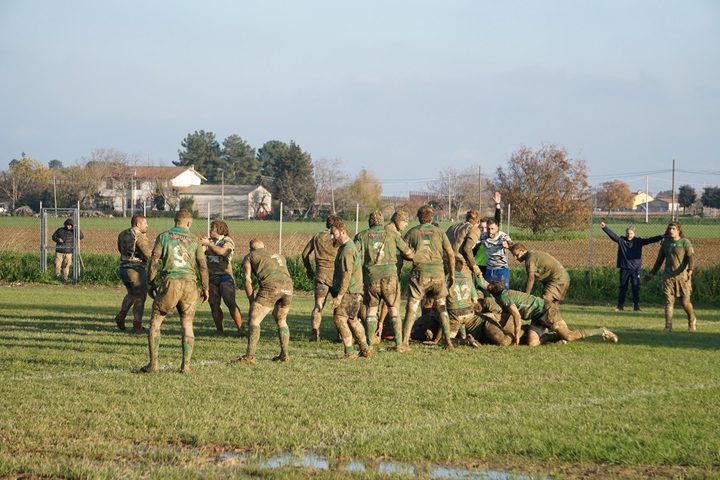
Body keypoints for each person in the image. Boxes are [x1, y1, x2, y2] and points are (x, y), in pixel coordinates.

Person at [140, 209, 209, 374]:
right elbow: (203, 266)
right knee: (187, 324)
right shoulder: (194, 240)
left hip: (171, 282)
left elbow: (154, 261)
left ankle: (153, 364)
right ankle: (186, 366)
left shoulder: (164, 237)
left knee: (155, 322)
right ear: (188, 223)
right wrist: (206, 287)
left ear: (175, 221)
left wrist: (150, 283)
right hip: (190, 284)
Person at [486, 281, 618, 346]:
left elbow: (517, 316)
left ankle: (602, 331)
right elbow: (504, 319)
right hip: (536, 317)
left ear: (494, 295)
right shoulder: (503, 299)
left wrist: (516, 337)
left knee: (570, 336)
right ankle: (554, 337)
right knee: (532, 343)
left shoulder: (504, 298)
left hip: (548, 311)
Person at [400, 205, 456, 351]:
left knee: (412, 307)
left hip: (420, 275)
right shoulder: (439, 232)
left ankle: (405, 342)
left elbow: (403, 253)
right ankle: (447, 341)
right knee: (442, 307)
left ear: (419, 217)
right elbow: (450, 253)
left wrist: (407, 260)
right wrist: (452, 274)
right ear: (432, 218)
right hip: (438, 274)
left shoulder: (412, 233)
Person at [354, 211, 414, 349]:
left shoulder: (362, 236)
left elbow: (353, 253)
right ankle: (399, 344)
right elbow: (407, 252)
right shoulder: (393, 234)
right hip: (390, 277)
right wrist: (412, 253)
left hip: (371, 278)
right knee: (393, 310)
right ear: (382, 221)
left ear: (369, 222)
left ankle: (368, 344)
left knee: (371, 311)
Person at [231, 239, 294, 364]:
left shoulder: (250, 256)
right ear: (264, 246)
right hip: (288, 286)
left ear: (250, 249)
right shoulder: (278, 255)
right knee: (281, 320)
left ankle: (249, 356)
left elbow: (247, 280)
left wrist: (251, 301)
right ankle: (284, 354)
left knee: (254, 319)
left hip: (271, 286)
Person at [329, 218, 373, 360]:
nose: (331, 237)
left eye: (333, 233)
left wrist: (339, 296)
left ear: (342, 232)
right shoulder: (347, 247)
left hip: (349, 291)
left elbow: (346, 275)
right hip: (355, 290)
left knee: (339, 319)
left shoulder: (347, 250)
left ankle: (349, 351)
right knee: (353, 320)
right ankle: (365, 348)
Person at [644, 221, 697, 332]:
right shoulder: (666, 244)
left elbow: (691, 257)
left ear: (679, 230)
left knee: (685, 302)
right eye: (669, 229)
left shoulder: (685, 243)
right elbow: (659, 260)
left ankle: (692, 320)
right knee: (669, 301)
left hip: (683, 277)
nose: (671, 231)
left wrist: (690, 271)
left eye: (673, 229)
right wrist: (652, 273)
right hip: (668, 276)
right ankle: (668, 327)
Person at [600, 222, 663, 311]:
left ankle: (636, 306)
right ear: (626, 233)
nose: (629, 235)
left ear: (634, 234)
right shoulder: (621, 240)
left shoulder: (639, 241)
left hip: (635, 269)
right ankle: (620, 306)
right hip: (624, 268)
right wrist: (605, 227)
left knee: (635, 287)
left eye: (631, 233)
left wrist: (661, 236)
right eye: (628, 233)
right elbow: (613, 235)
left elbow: (650, 240)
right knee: (623, 287)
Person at [201, 220, 246, 337]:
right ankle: (220, 330)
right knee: (214, 303)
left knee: (230, 301)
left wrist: (209, 245)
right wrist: (201, 246)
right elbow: (200, 255)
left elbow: (222, 252)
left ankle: (241, 328)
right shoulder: (209, 241)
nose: (210, 230)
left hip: (224, 276)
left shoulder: (227, 241)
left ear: (220, 229)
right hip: (211, 277)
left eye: (213, 228)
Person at [301, 215, 341, 341]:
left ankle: (315, 331)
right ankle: (340, 333)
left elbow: (304, 254)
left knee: (318, 305)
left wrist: (309, 269)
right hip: (336, 275)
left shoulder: (317, 236)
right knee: (338, 305)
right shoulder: (339, 237)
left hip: (321, 275)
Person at [115, 213, 152, 333]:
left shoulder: (122, 234)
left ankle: (121, 315)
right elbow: (148, 254)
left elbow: (120, 249)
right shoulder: (140, 236)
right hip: (136, 270)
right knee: (140, 298)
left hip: (123, 268)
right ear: (137, 224)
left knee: (131, 294)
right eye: (145, 223)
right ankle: (137, 326)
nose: (147, 225)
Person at [473, 191, 503, 276]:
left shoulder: (491, 237)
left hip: (489, 267)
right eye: (481, 227)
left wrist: (497, 205)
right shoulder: (475, 238)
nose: (483, 229)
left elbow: (497, 221)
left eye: (485, 228)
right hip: (476, 266)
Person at [446, 210, 482, 278]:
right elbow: (467, 249)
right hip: (460, 263)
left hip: (447, 261)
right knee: (465, 285)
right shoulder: (473, 229)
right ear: (478, 221)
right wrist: (473, 265)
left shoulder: (453, 227)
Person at [51, 218, 84, 284]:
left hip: (68, 252)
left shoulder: (74, 231)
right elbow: (53, 236)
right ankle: (57, 278)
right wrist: (58, 239)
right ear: (65, 224)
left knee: (66, 266)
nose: (68, 226)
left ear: (72, 226)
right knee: (57, 265)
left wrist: (77, 228)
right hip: (59, 251)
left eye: (70, 225)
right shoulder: (60, 230)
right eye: (67, 225)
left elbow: (81, 236)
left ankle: (65, 279)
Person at [482, 219, 512, 290]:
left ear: (497, 228)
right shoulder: (483, 236)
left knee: (503, 291)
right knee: (489, 290)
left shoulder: (503, 236)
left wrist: (508, 246)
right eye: (488, 229)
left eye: (492, 229)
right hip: (489, 269)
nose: (490, 231)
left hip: (501, 269)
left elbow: (512, 245)